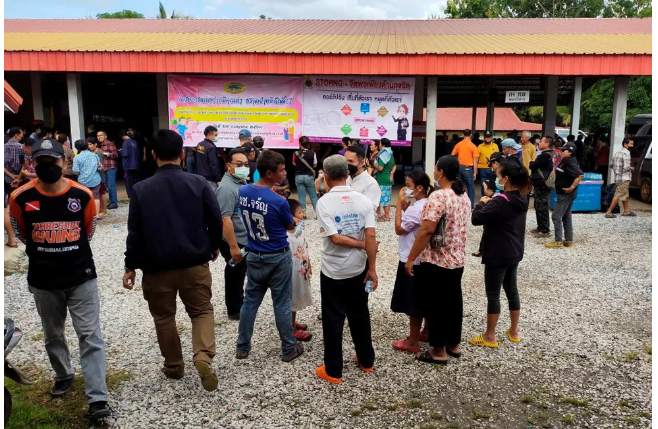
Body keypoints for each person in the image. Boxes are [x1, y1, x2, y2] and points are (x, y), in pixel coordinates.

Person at [9, 138, 110, 421]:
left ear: (64, 163)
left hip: (81, 276)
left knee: (90, 336)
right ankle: (64, 374)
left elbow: (88, 232)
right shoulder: (20, 197)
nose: (47, 166)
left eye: (52, 161)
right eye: (40, 161)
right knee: (53, 334)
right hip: (44, 279)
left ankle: (98, 399)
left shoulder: (82, 195)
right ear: (33, 164)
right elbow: (22, 232)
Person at [123, 129, 223, 392]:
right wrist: (213, 247)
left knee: (164, 317)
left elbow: (135, 233)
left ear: (152, 154)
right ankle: (203, 356)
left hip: (156, 268)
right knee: (201, 311)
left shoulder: (141, 189)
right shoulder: (199, 183)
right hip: (194, 263)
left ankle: (174, 365)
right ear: (181, 154)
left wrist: (130, 265)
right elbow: (215, 220)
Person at [315, 155, 378, 384]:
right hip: (359, 267)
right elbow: (371, 235)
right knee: (360, 313)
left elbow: (335, 238)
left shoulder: (324, 202)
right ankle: (366, 360)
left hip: (333, 270)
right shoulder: (364, 201)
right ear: (347, 173)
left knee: (333, 318)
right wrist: (372, 268)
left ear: (326, 176)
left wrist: (360, 245)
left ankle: (334, 371)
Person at [236, 150, 303, 362]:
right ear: (269, 173)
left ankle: (242, 347)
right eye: (281, 170)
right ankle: (289, 348)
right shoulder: (279, 201)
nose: (285, 174)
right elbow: (289, 224)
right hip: (277, 255)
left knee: (250, 302)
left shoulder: (243, 191)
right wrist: (295, 220)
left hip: (254, 254)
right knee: (281, 303)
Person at [405, 155, 470, 365]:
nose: (434, 171)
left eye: (435, 168)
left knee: (436, 305)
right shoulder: (463, 195)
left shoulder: (439, 196)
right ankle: (453, 344)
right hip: (457, 258)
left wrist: (411, 257)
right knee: (453, 302)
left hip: (437, 259)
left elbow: (426, 229)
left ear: (441, 172)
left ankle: (438, 350)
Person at [469, 161, 530, 348]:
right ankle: (514, 331)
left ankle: (490, 336)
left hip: (498, 252)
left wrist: (481, 203)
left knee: (493, 294)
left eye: (498, 176)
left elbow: (476, 219)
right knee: (512, 290)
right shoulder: (522, 196)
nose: (496, 179)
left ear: (506, 179)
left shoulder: (500, 201)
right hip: (515, 250)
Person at [391, 171, 432, 354]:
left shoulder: (416, 209)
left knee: (414, 300)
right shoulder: (430, 204)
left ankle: (413, 341)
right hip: (427, 258)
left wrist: (399, 206)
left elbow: (400, 229)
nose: (405, 189)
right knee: (426, 297)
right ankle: (426, 331)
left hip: (411, 258)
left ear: (419, 188)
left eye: (408, 185)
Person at [216, 148, 250, 320]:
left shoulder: (240, 182)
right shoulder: (226, 189)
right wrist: (233, 246)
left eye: (246, 164)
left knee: (240, 272)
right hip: (234, 240)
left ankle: (240, 303)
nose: (243, 167)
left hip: (243, 237)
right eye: (239, 164)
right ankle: (235, 309)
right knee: (235, 273)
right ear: (229, 166)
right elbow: (225, 219)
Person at [545, 142, 583, 248]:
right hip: (566, 193)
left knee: (556, 216)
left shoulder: (570, 162)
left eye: (563, 150)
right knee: (566, 216)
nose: (561, 152)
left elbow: (580, 175)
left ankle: (558, 241)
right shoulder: (566, 160)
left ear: (570, 152)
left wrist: (571, 187)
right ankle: (569, 240)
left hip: (565, 194)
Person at [286, 199, 313, 342]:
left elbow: (304, 246)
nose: (303, 214)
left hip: (301, 269)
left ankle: (292, 321)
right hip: (292, 272)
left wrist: (309, 264)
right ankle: (291, 329)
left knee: (296, 297)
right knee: (291, 298)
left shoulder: (299, 229)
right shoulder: (285, 235)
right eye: (299, 212)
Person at [472, 152, 505, 257]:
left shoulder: (494, 175)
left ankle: (482, 250)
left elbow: (489, 193)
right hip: (506, 203)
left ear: (496, 163)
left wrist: (485, 187)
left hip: (494, 203)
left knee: (488, 227)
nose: (492, 167)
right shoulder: (509, 172)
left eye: (492, 165)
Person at [529, 136, 555, 235]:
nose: (539, 143)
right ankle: (540, 227)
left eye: (541, 141)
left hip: (542, 185)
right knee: (539, 205)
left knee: (542, 206)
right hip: (540, 184)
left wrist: (532, 163)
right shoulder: (547, 155)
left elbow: (532, 166)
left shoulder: (544, 156)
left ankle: (544, 229)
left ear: (547, 144)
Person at [605, 138, 636, 218]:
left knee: (625, 194)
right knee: (618, 194)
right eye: (631, 144)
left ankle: (626, 211)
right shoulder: (627, 153)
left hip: (617, 177)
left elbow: (611, 165)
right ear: (625, 144)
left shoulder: (617, 153)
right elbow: (626, 167)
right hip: (624, 178)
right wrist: (631, 168)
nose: (632, 146)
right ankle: (609, 212)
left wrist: (617, 171)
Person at [345, 145, 381, 211]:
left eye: (351, 161)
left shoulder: (371, 184)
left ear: (361, 163)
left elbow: (370, 210)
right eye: (345, 161)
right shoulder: (344, 179)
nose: (347, 164)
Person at [73, 139, 102, 216]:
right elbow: (100, 167)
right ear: (86, 146)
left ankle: (86, 214)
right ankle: (96, 214)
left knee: (84, 197)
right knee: (96, 197)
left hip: (83, 181)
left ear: (77, 147)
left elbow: (75, 170)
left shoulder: (77, 157)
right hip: (95, 179)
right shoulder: (94, 155)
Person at [451, 129, 479, 209]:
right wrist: (475, 172)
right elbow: (475, 160)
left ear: (463, 135)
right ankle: (470, 207)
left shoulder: (458, 144)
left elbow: (452, 155)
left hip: (459, 167)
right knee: (470, 188)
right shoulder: (473, 146)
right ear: (471, 135)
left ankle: (458, 206)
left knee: (458, 187)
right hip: (468, 169)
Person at [292, 136, 319, 217]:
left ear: (300, 143)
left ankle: (303, 214)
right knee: (313, 195)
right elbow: (315, 164)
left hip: (298, 176)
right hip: (309, 176)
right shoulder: (313, 153)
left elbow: (294, 163)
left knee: (301, 196)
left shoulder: (295, 153)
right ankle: (317, 213)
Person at [374, 138, 396, 221]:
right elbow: (394, 166)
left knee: (383, 198)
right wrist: (391, 173)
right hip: (389, 179)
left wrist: (374, 164)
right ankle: (381, 214)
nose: (379, 145)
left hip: (382, 179)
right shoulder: (390, 154)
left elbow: (380, 168)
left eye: (380, 143)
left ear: (383, 145)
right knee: (387, 197)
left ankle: (386, 216)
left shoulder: (383, 155)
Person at [195, 126, 222, 191]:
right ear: (209, 135)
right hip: (210, 178)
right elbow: (213, 164)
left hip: (200, 176)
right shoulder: (211, 147)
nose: (216, 137)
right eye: (215, 135)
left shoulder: (200, 144)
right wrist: (218, 179)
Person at [96, 130, 119, 210]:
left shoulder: (110, 144)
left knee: (111, 185)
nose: (99, 137)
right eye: (98, 136)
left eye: (101, 135)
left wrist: (105, 153)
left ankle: (114, 203)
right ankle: (111, 202)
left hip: (111, 167)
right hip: (104, 168)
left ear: (105, 136)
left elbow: (116, 154)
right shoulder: (100, 145)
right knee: (107, 186)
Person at [87, 138, 107, 218]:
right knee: (98, 194)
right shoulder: (91, 153)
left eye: (90, 144)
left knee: (102, 193)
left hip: (100, 176)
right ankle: (100, 209)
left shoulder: (98, 153)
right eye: (88, 145)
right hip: (95, 176)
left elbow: (101, 166)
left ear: (95, 144)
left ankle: (104, 210)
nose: (89, 146)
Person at [477, 131, 498, 198]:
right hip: (482, 168)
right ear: (484, 137)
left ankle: (492, 198)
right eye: (486, 137)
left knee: (493, 183)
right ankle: (484, 198)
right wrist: (476, 169)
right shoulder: (480, 146)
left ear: (491, 137)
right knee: (483, 183)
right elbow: (477, 158)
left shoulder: (495, 146)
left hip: (493, 168)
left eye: (489, 137)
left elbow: (498, 157)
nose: (487, 138)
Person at [120, 130, 140, 199]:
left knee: (128, 181)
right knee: (134, 180)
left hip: (128, 165)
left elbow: (125, 154)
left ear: (124, 136)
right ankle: (136, 194)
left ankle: (130, 195)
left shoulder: (125, 142)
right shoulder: (135, 142)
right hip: (135, 164)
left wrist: (121, 151)